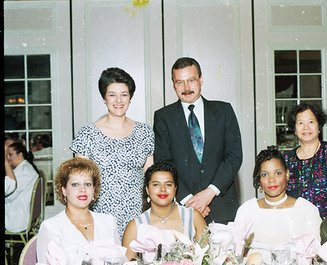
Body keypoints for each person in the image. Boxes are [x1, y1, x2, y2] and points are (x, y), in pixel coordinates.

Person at [153, 57, 242, 224]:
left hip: (222, 207)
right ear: (173, 85)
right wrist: (190, 201)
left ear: (201, 80)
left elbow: (234, 156)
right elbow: (164, 163)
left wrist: (209, 193)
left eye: (191, 80)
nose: (186, 88)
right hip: (183, 210)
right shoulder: (163, 117)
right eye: (179, 82)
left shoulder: (224, 111)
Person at [71, 67, 154, 239]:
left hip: (137, 216)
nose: (118, 100)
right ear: (103, 98)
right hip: (100, 217)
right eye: (112, 94)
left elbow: (150, 176)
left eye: (124, 94)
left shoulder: (145, 132)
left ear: (130, 97)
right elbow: (80, 181)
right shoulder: (87, 133)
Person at [234, 146, 321, 264]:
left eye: (278, 173)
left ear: (287, 174)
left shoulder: (306, 210)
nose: (271, 179)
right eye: (265, 174)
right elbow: (236, 254)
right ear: (259, 179)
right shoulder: (247, 210)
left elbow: (315, 255)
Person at [36, 157, 124, 264]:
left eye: (87, 184)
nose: (82, 189)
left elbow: (119, 261)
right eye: (75, 184)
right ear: (64, 190)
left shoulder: (108, 222)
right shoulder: (51, 227)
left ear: (94, 189)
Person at [122, 160, 207, 261]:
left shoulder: (193, 217)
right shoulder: (135, 226)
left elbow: (207, 258)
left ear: (175, 188)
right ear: (147, 190)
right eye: (156, 184)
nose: (163, 189)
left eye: (168, 184)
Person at [284, 103, 327, 218]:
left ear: (319, 126)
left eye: (311, 122)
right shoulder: (287, 159)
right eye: (300, 123)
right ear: (294, 129)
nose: (306, 127)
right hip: (297, 225)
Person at [5, 142, 39, 232]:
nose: (8, 158)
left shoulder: (25, 171)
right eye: (6, 155)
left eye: (10, 155)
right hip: (16, 211)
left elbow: (10, 196)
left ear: (20, 155)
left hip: (16, 217)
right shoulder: (23, 168)